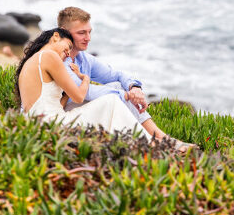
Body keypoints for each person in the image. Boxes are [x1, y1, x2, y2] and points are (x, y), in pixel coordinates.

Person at [57, 6, 195, 149]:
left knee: (118, 85)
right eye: (81, 33)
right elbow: (85, 92)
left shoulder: (83, 58)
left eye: (89, 32)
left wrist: (134, 88)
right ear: (64, 32)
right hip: (65, 115)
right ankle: (159, 141)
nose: (88, 38)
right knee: (117, 92)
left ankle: (161, 138)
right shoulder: (60, 60)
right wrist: (126, 96)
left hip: (83, 109)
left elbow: (116, 74)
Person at [14, 28, 150, 139]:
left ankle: (137, 142)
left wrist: (66, 93)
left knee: (107, 104)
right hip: (54, 125)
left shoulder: (31, 62)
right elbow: (79, 96)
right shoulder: (49, 56)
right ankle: (146, 144)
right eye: (68, 47)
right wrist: (84, 78)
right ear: (55, 36)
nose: (68, 54)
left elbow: (53, 106)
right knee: (111, 102)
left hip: (40, 126)